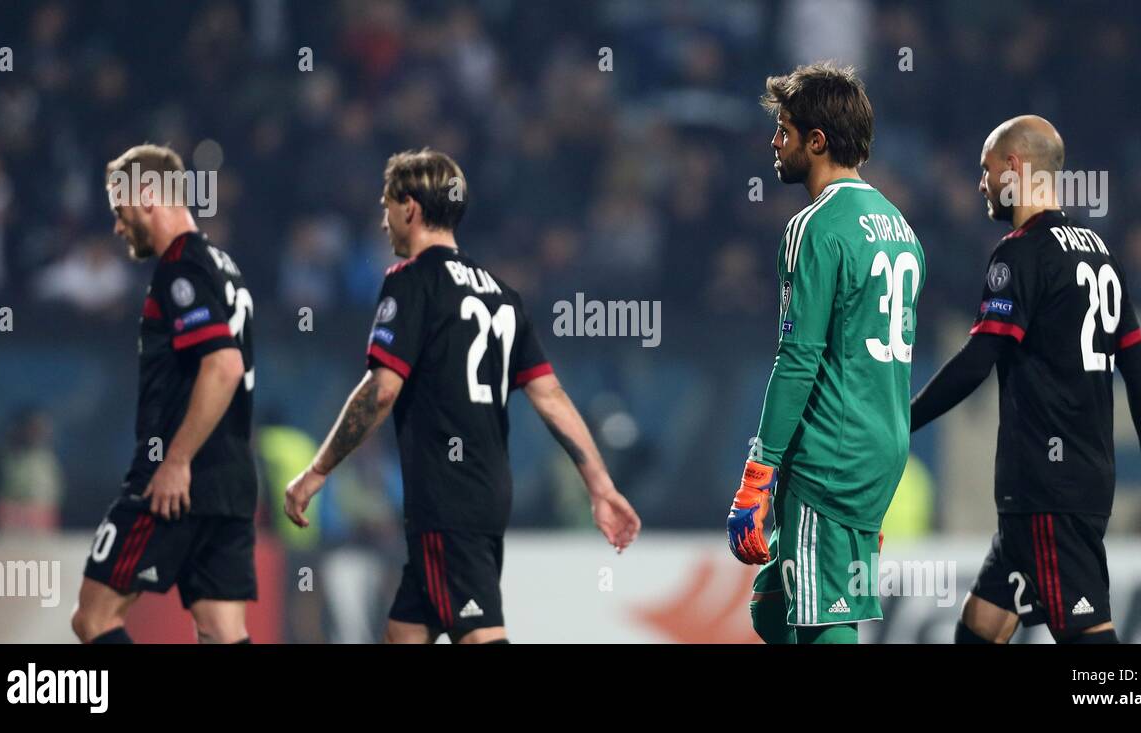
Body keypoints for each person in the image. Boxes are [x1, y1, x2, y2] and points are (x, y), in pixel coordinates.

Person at [284, 149, 640, 644]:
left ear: (409, 206)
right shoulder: (502, 294)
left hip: (446, 497)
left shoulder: (410, 283)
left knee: (480, 635)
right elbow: (551, 396)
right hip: (485, 492)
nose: (383, 221)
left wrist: (317, 470)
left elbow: (381, 390)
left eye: (386, 205)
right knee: (405, 634)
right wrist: (600, 487)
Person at [910, 115, 1141, 643]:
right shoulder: (1099, 252)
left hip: (1046, 490)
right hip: (1074, 482)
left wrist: (900, 423)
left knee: (1088, 642)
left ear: (1014, 167)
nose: (982, 184)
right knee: (980, 627)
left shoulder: (1020, 254)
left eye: (986, 169)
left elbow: (979, 359)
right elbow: (1139, 369)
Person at [727, 63, 923, 645]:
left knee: (821, 618)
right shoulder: (900, 227)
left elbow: (798, 358)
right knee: (774, 604)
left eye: (783, 130)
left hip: (829, 451)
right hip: (880, 444)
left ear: (817, 141)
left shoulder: (813, 227)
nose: (774, 143)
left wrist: (758, 473)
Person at [72, 144, 258, 644]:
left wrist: (175, 460)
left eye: (120, 210)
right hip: (231, 478)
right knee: (222, 631)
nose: (117, 226)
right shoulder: (224, 265)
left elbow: (223, 366)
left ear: (149, 195)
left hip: (176, 479)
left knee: (94, 618)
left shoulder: (182, 267)